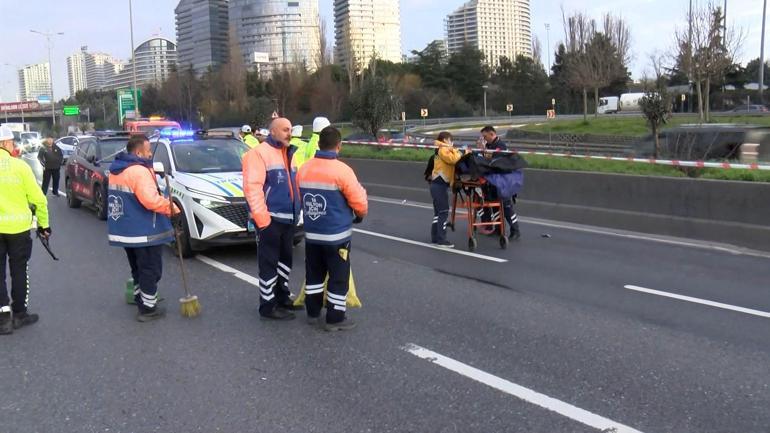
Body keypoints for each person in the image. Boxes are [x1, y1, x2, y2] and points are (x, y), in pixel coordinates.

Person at [297, 126, 368, 331]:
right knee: (338, 276)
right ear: (339, 146)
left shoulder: (305, 169)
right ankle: (335, 318)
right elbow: (359, 202)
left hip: (312, 235)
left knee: (314, 274)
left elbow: (301, 198)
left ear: (319, 144)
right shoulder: (342, 170)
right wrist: (360, 215)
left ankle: (312, 312)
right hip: (337, 237)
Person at [107, 134, 180, 322]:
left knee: (138, 268)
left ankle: (141, 298)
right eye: (148, 151)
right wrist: (171, 208)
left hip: (125, 230)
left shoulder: (116, 170)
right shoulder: (139, 171)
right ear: (139, 152)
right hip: (144, 230)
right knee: (151, 269)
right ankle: (148, 308)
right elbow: (149, 200)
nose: (150, 154)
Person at [243, 118, 303, 321]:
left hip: (288, 219)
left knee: (285, 261)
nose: (290, 133)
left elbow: (295, 185)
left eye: (291, 129)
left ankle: (282, 297)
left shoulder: (289, 153)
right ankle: (268, 306)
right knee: (268, 263)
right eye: (286, 129)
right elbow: (253, 188)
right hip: (271, 220)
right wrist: (263, 221)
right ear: (273, 132)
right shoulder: (258, 154)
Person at [0, 125, 50, 334]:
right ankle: (19, 313)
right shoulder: (20, 167)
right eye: (11, 143)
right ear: (5, 144)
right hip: (19, 229)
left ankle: (3, 319)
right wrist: (44, 225)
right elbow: (38, 199)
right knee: (19, 270)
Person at [480, 125, 521, 240]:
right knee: (495, 206)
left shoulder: (500, 146)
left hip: (504, 180)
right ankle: (499, 229)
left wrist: (484, 151)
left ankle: (515, 230)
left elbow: (493, 161)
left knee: (506, 206)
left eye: (485, 136)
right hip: (493, 180)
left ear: (492, 134)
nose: (484, 139)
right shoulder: (488, 145)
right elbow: (485, 160)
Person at [428, 131, 464, 248]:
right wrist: (459, 152)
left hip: (437, 184)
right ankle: (441, 239)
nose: (451, 143)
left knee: (438, 213)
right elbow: (453, 160)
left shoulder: (440, 148)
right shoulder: (443, 148)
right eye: (450, 141)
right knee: (443, 212)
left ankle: (435, 237)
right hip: (439, 184)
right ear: (445, 140)